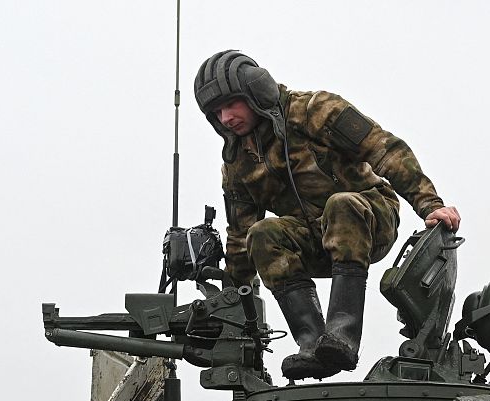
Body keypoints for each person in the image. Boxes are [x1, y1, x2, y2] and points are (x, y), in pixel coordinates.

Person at [194, 50, 460, 380]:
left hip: (369, 217)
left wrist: (430, 205)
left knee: (341, 204)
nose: (225, 117)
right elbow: (239, 238)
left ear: (255, 91)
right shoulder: (238, 162)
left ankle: (342, 336)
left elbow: (384, 149)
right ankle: (314, 344)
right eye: (216, 111)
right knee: (261, 234)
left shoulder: (314, 111)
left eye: (231, 104)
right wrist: (231, 305)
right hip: (316, 241)